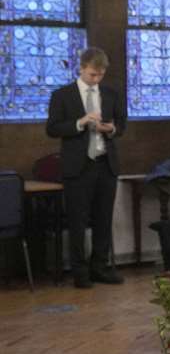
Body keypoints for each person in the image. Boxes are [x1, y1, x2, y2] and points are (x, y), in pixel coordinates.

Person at [46, 47, 126, 288]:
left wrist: (110, 129)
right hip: (78, 166)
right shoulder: (62, 95)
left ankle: (99, 267)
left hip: (105, 163)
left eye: (100, 75)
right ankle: (80, 272)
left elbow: (121, 124)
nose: (96, 79)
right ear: (81, 68)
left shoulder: (111, 94)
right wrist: (80, 123)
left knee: (103, 219)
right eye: (92, 74)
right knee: (78, 221)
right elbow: (52, 128)